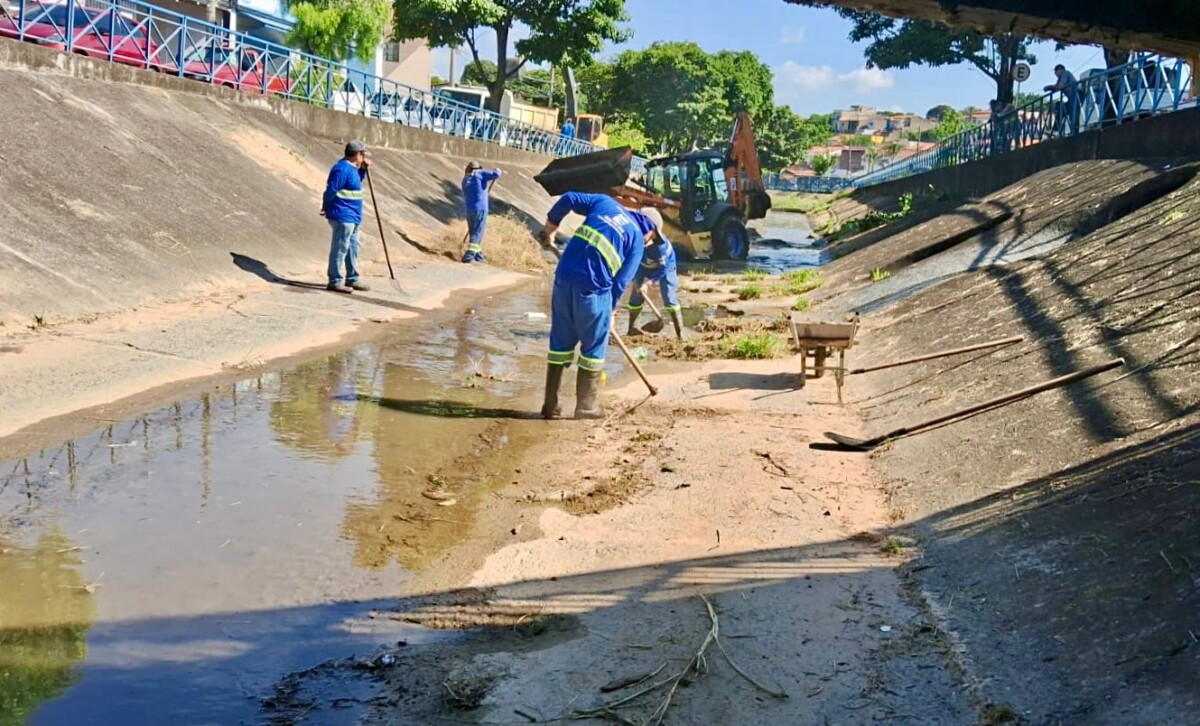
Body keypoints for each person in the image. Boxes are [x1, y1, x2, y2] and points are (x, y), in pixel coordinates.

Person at [538, 195, 663, 419]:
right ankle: (586, 407)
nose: (649, 243)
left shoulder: (605, 203)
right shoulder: (636, 239)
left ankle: (550, 405)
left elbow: (569, 197)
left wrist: (550, 228)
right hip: (593, 290)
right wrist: (611, 312)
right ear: (650, 228)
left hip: (563, 280)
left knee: (560, 342)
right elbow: (621, 282)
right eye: (652, 238)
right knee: (594, 345)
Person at [320, 139, 371, 293]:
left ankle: (352, 278)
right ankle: (335, 280)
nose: (364, 157)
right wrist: (325, 206)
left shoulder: (352, 169)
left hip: (353, 216)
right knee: (340, 247)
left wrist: (363, 170)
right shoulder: (341, 169)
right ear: (358, 154)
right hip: (343, 215)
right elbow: (331, 190)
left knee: (353, 248)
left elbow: (354, 184)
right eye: (363, 154)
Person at [627, 223, 686, 340]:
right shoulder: (635, 239)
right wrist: (634, 278)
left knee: (668, 296)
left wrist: (648, 282)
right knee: (635, 296)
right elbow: (629, 259)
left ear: (653, 233)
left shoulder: (661, 247)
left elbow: (663, 268)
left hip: (665, 267)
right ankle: (632, 328)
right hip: (643, 266)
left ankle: (681, 334)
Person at [461, 161, 502, 263]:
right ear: (477, 168)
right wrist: (497, 169)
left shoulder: (465, 180)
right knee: (478, 233)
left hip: (469, 210)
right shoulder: (480, 174)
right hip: (480, 208)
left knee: (474, 233)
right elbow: (496, 174)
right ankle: (469, 255)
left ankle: (479, 256)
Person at [1044, 64, 1080, 136]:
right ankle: (1056, 130)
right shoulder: (1060, 78)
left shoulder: (1065, 73)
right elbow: (1057, 87)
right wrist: (1051, 88)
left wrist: (1049, 87)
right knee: (1061, 109)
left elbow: (1059, 87)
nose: (1055, 74)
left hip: (1076, 95)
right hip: (1072, 97)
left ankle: (1074, 132)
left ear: (1060, 69)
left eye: (1056, 71)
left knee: (1073, 113)